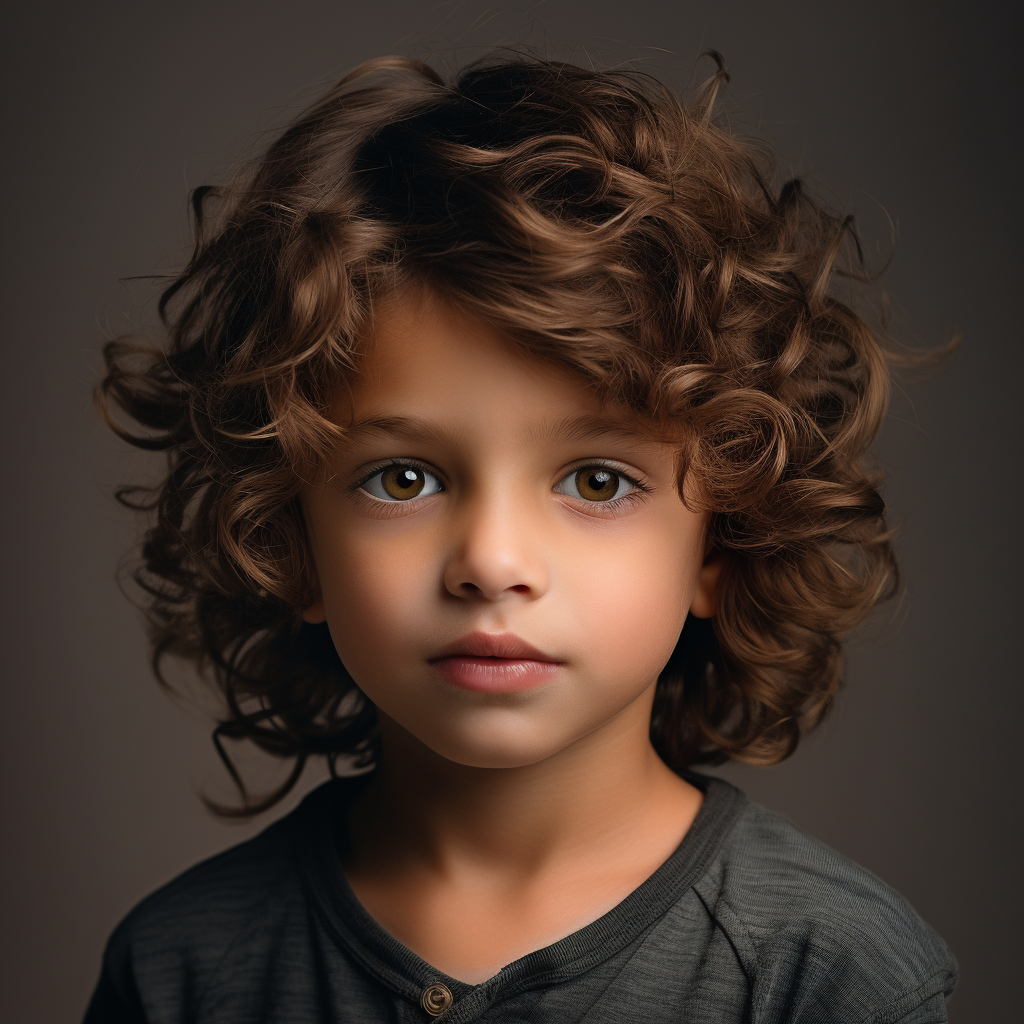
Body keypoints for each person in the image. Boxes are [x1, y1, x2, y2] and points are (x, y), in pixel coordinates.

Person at [84, 51, 957, 1022]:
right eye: (402, 479)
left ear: (719, 546)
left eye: (596, 481)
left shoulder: (830, 972)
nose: (492, 562)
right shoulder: (180, 969)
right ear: (291, 542)